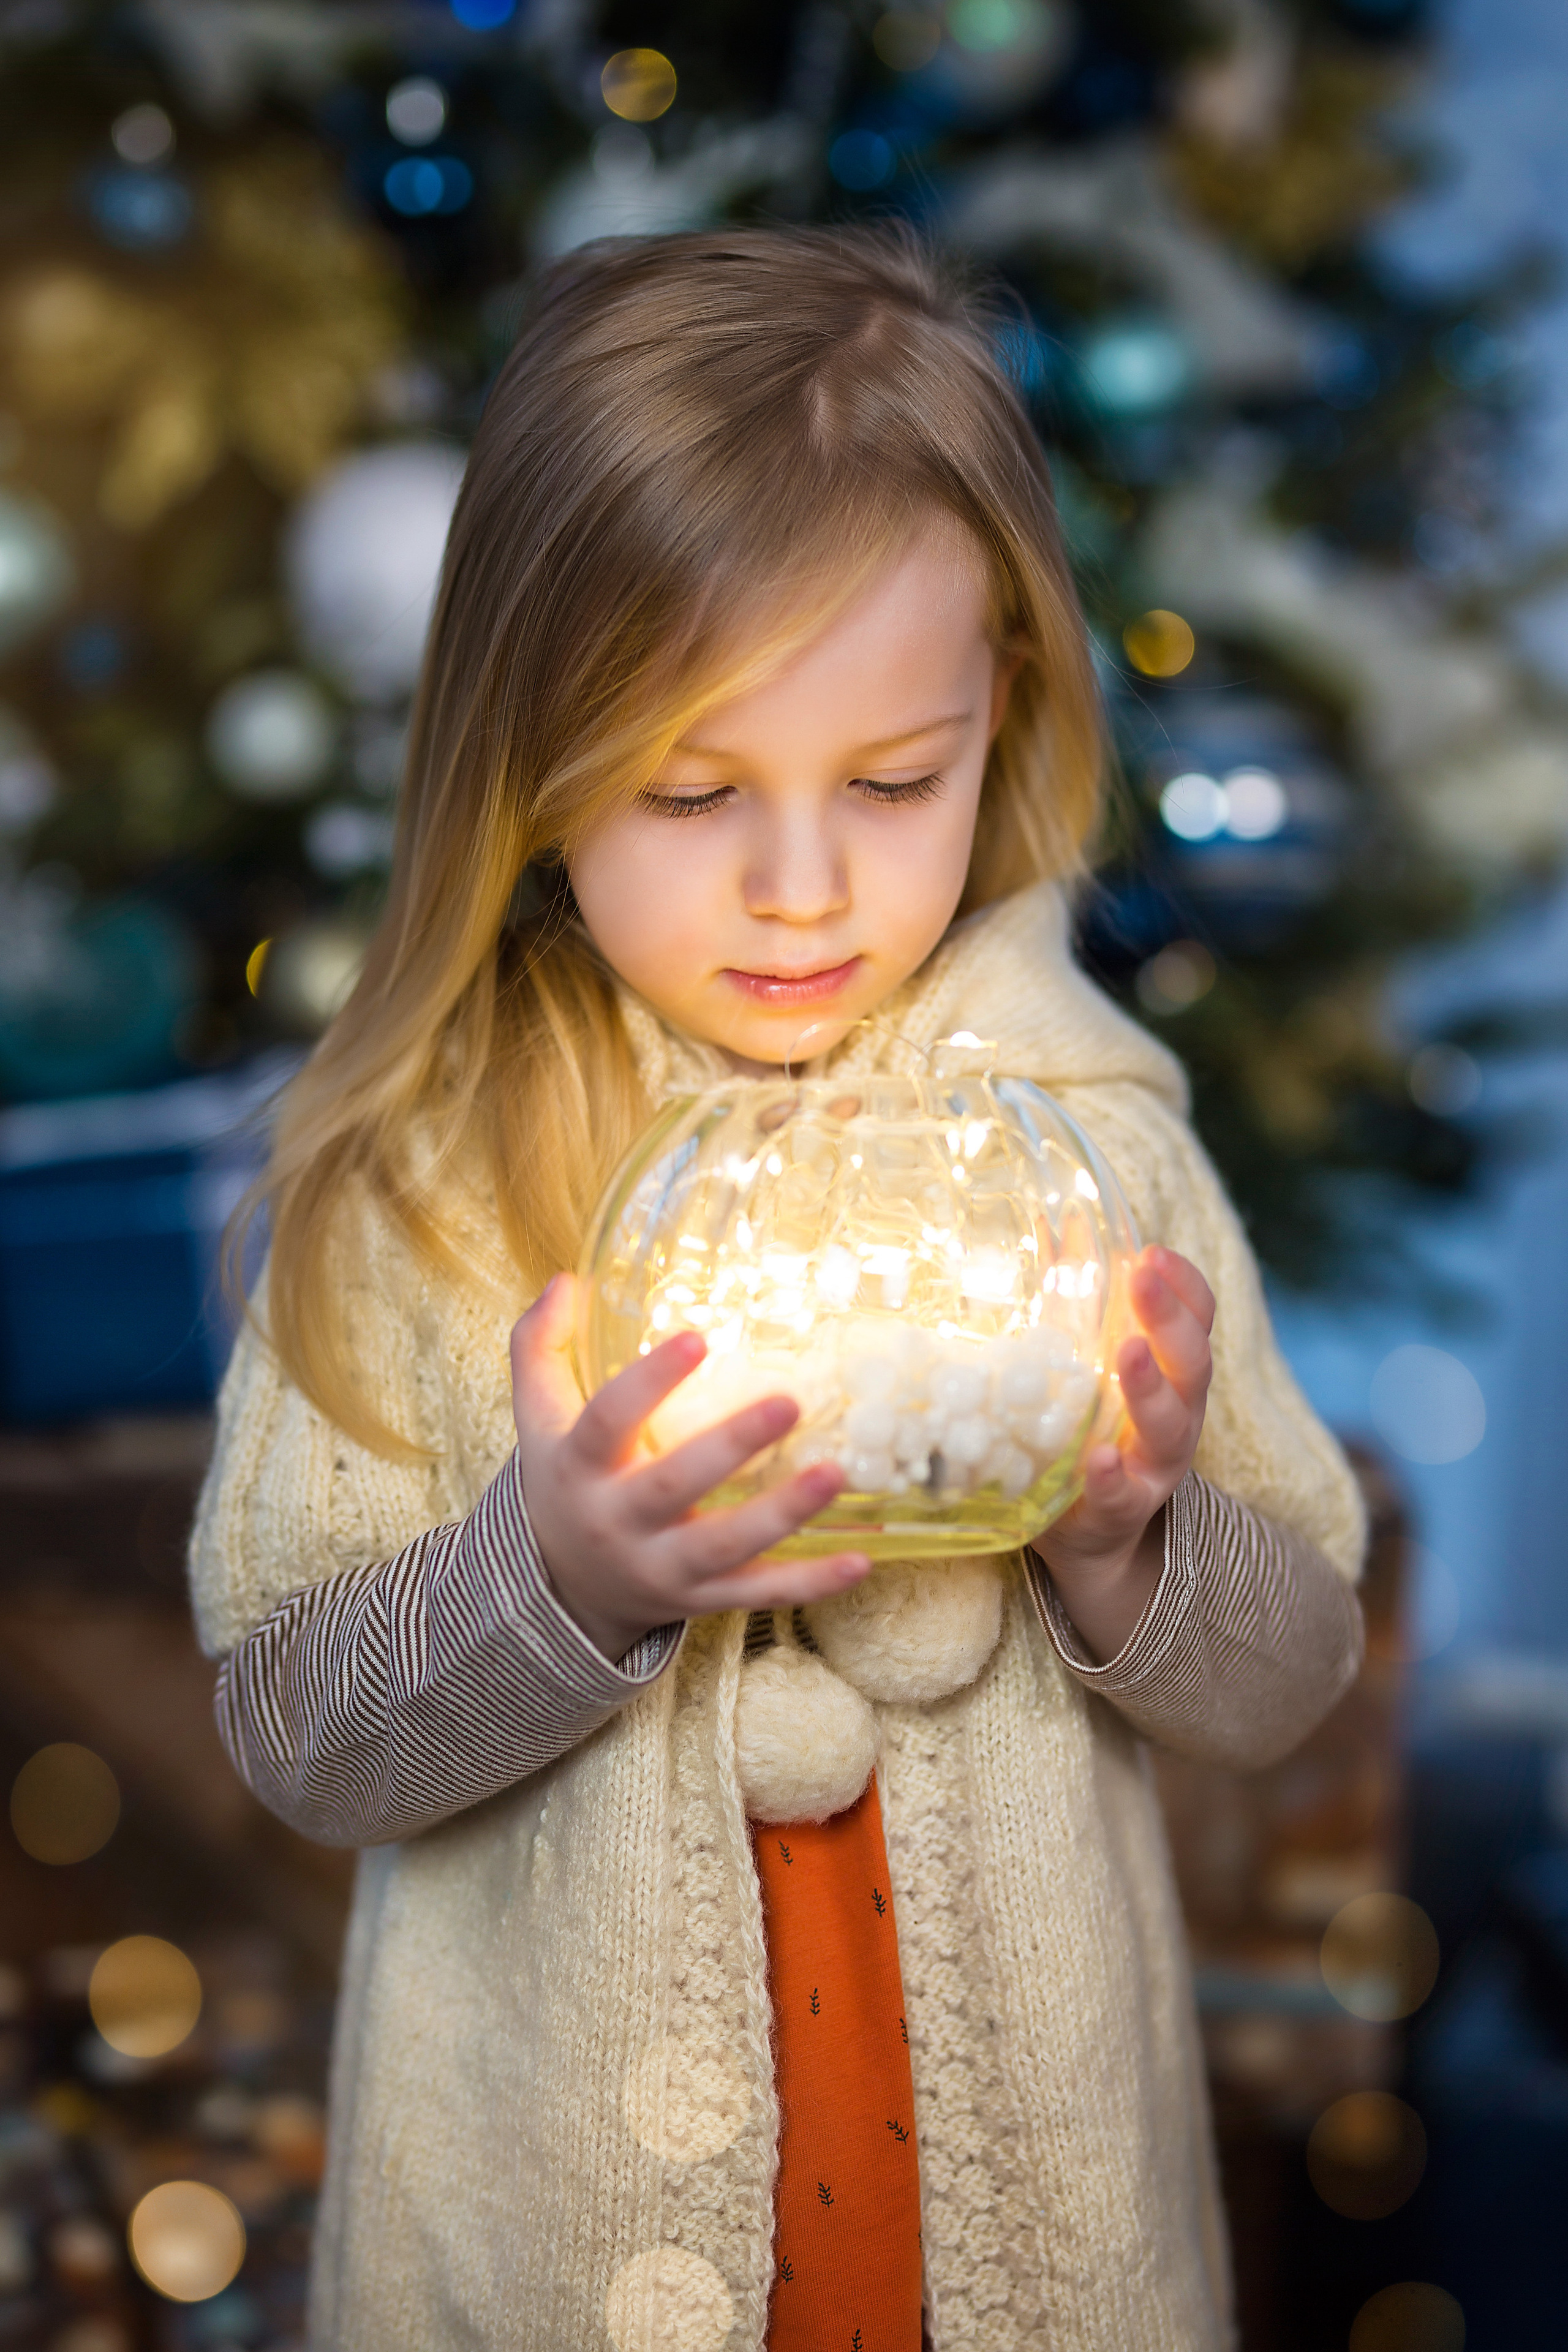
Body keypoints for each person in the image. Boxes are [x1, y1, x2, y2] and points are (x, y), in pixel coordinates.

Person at [189, 227, 1365, 2352]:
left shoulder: (1096, 1155)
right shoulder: (425, 1191)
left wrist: (1132, 1542)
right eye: (696, 793)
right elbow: (295, 1726)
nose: (805, 890)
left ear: (999, 703)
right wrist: (554, 1577)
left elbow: (1287, 1676)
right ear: (530, 765)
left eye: (892, 785)